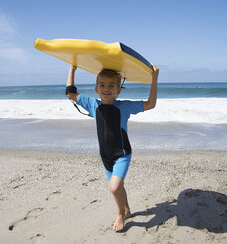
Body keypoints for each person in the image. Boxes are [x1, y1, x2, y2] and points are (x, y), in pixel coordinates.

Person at [65, 64, 159, 231]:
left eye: (111, 85)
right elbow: (70, 93)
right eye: (102, 84)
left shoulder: (124, 107)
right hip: (105, 156)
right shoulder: (92, 105)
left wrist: (154, 78)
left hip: (122, 154)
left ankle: (120, 213)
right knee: (119, 187)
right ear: (96, 88)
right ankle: (127, 209)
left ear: (118, 90)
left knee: (114, 187)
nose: (106, 89)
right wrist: (73, 68)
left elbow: (150, 104)